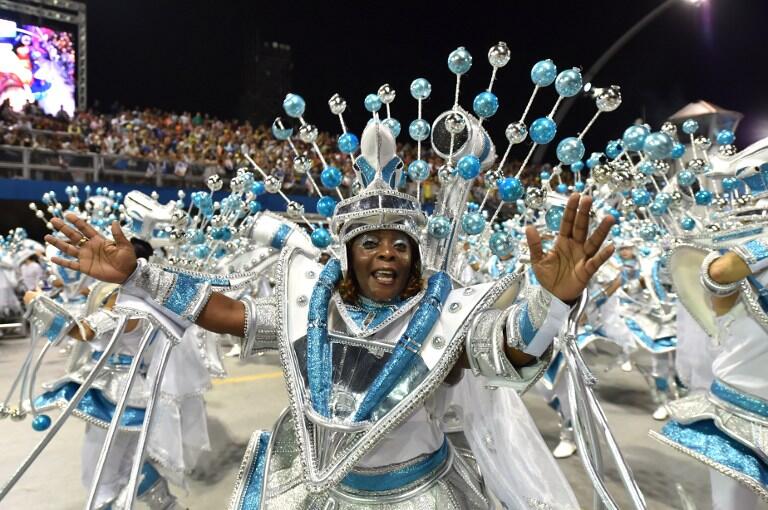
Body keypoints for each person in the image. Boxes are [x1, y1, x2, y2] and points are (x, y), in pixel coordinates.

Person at [46, 119, 615, 508]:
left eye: (399, 244)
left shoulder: (449, 316)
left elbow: (510, 347)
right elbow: (228, 313)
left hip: (420, 494)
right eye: (369, 244)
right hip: (318, 490)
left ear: (415, 257)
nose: (385, 253)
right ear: (348, 256)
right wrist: (139, 276)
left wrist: (553, 300)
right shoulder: (313, 314)